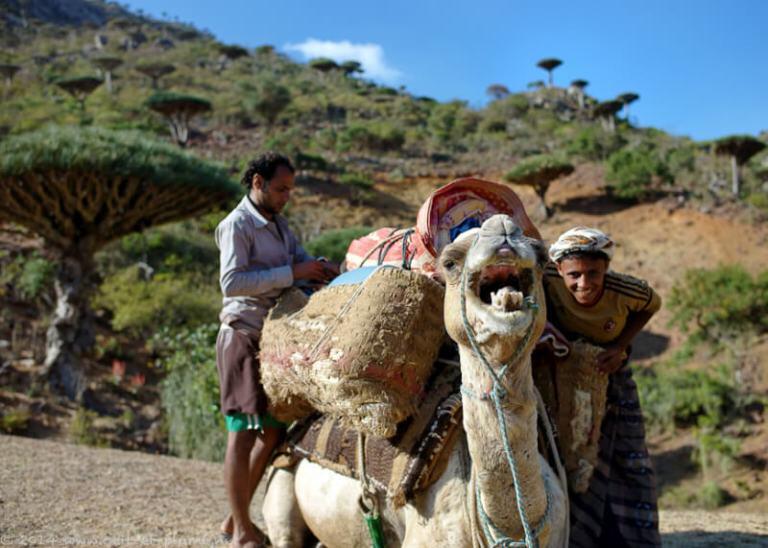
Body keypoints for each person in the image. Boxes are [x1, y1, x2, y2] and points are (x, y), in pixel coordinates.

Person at [214, 152, 337, 547]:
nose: (286, 196)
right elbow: (232, 282)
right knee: (242, 434)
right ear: (258, 183)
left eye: (290, 190)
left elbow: (299, 260)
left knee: (271, 431)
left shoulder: (279, 225)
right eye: (281, 188)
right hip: (242, 334)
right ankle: (242, 533)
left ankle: (235, 521)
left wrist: (317, 267)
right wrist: (293, 274)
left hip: (273, 339)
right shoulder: (236, 225)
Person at [542, 227, 662, 547]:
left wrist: (621, 346)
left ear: (606, 268)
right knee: (571, 458)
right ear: (559, 271)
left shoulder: (627, 290)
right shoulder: (547, 281)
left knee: (626, 458)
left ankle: (630, 540)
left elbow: (652, 305)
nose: (584, 283)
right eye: (575, 275)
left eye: (593, 273)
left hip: (612, 378)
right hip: (564, 380)